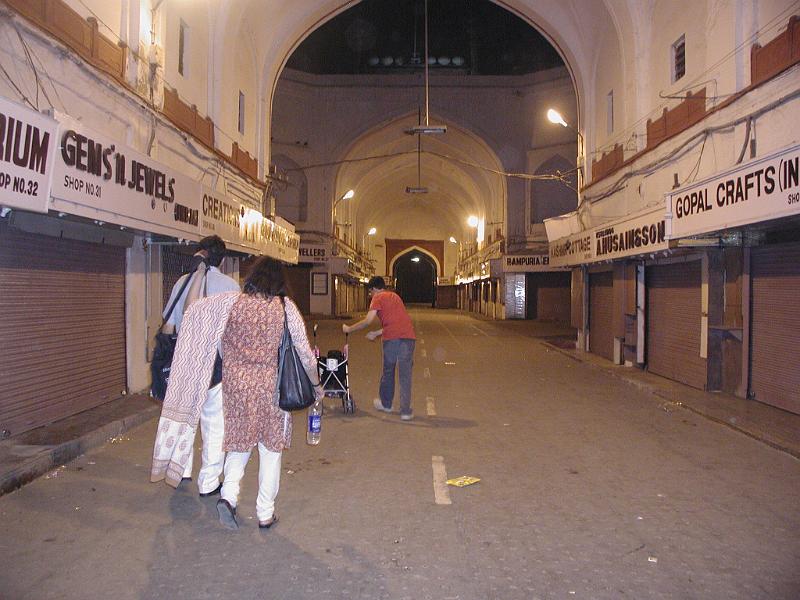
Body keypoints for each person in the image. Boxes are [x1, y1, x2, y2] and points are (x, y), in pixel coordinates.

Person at [215, 257, 322, 530]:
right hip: (272, 389)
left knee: (239, 442)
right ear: (279, 281)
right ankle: (265, 512)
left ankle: (228, 496)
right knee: (271, 450)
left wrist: (234, 366)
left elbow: (217, 344)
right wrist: (316, 383)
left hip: (237, 387)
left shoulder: (232, 305)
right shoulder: (284, 308)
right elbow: (304, 353)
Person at [161, 235, 239, 497]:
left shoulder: (182, 283)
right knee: (214, 424)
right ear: (223, 259)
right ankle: (208, 481)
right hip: (213, 364)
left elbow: (170, 324)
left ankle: (181, 468)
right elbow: (234, 332)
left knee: (185, 417)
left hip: (184, 360)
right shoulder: (230, 285)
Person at [343, 276, 416, 421]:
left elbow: (368, 321)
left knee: (388, 371)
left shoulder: (378, 298)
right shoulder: (396, 297)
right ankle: (405, 411)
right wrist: (376, 333)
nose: (370, 295)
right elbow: (396, 323)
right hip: (408, 337)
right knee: (405, 375)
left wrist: (349, 329)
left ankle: (386, 404)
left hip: (391, 340)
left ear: (374, 289)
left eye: (370, 292)